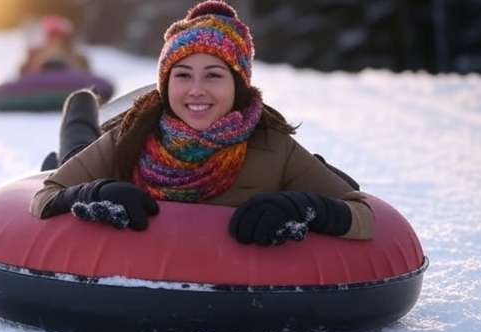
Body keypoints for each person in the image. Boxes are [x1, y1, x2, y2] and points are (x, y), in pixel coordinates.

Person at [30, 0, 374, 246]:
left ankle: (320, 169)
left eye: (213, 75)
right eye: (182, 75)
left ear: (237, 85)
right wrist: (92, 191)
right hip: (107, 140)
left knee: (329, 178)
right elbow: (46, 197)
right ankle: (80, 108)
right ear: (166, 84)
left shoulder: (272, 146)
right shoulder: (132, 134)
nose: (196, 90)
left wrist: (305, 207)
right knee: (74, 152)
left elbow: (364, 215)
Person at [19, 15, 90, 75]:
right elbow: (23, 79)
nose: (55, 42)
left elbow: (86, 78)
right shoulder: (32, 57)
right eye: (51, 37)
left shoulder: (80, 59)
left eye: (59, 37)